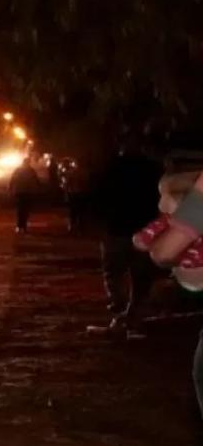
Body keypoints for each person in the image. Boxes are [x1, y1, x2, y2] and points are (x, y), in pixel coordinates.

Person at [87, 129, 163, 338]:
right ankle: (131, 320)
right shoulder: (152, 169)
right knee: (139, 278)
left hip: (118, 228)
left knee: (115, 273)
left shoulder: (111, 168)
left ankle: (122, 315)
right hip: (140, 229)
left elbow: (97, 196)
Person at [9, 156, 41, 233]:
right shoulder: (31, 170)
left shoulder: (18, 170)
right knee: (25, 209)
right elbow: (36, 181)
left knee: (20, 209)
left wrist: (11, 188)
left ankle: (20, 225)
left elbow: (12, 180)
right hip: (27, 192)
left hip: (20, 191)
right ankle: (23, 225)